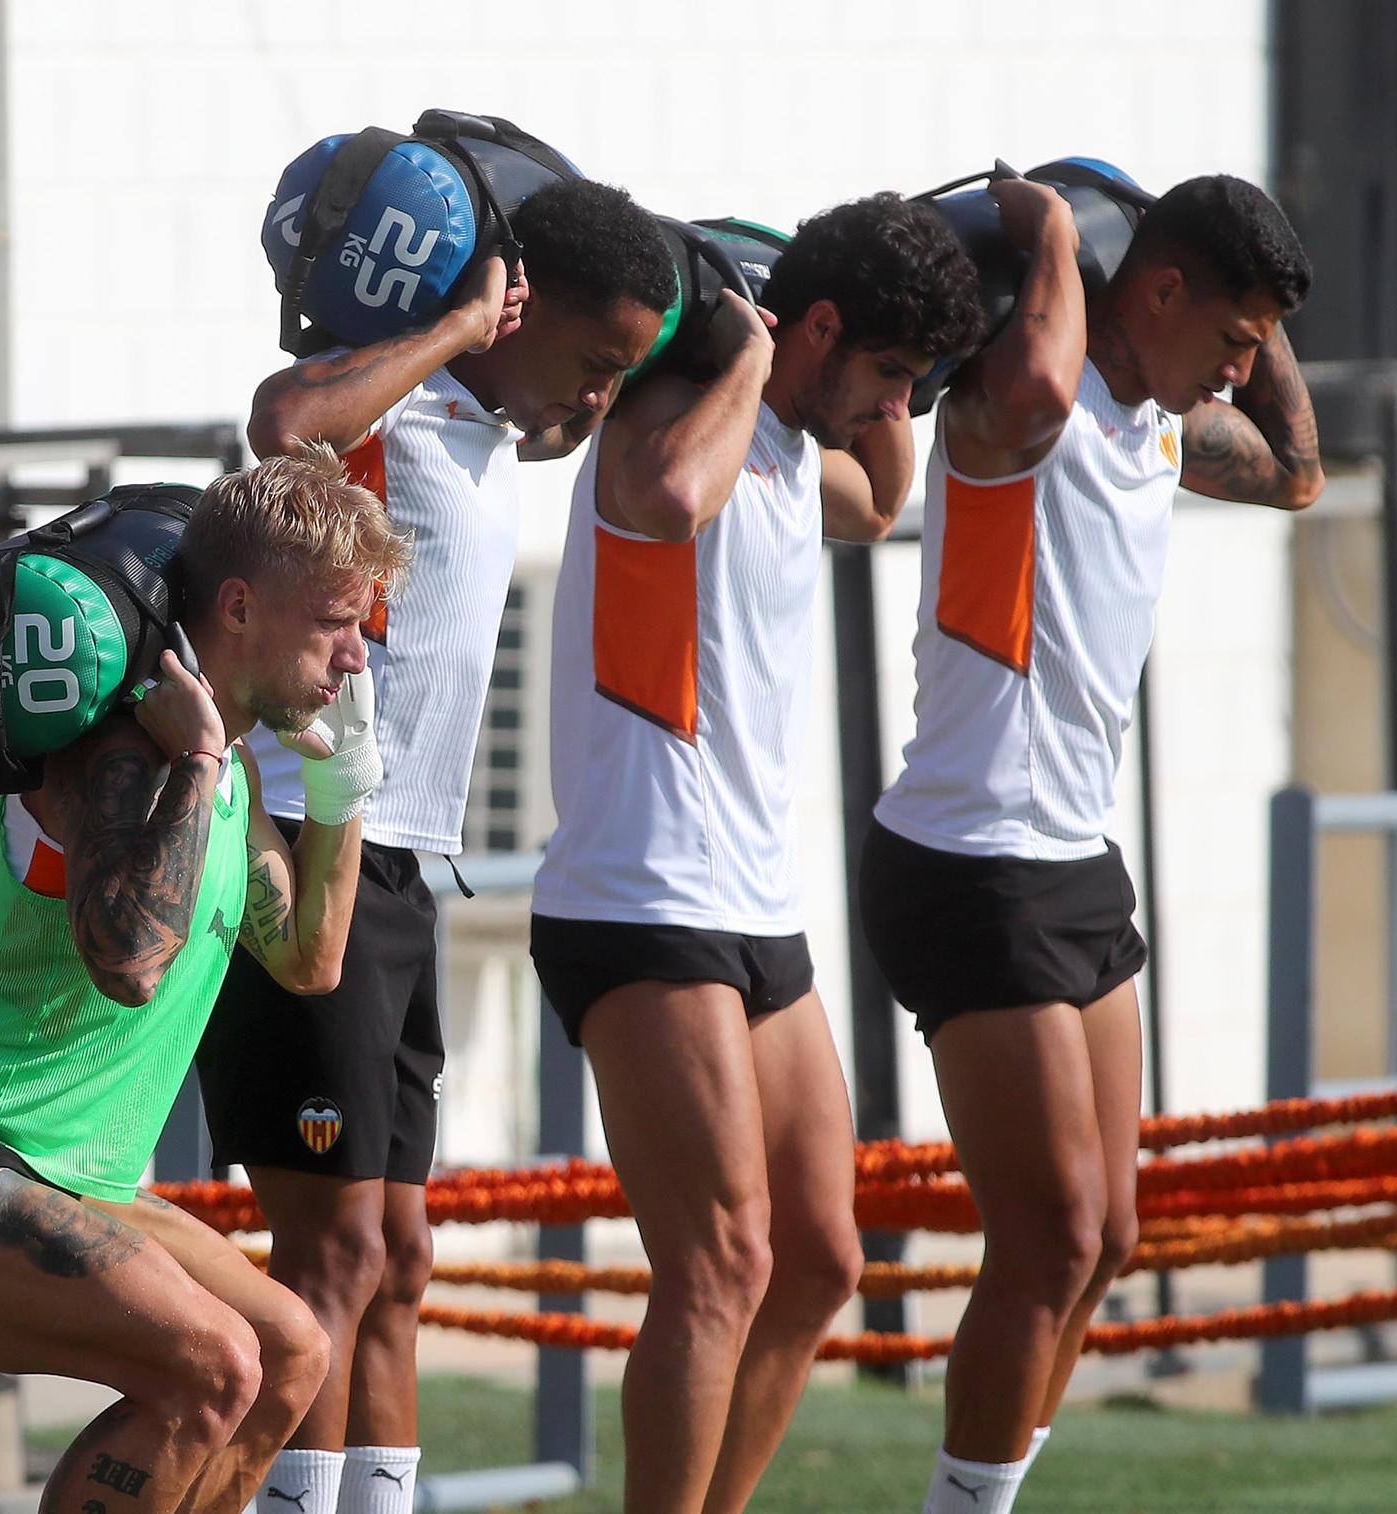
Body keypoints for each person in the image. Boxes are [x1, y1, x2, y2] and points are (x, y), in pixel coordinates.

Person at [0, 446, 412, 1514]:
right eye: (333, 622)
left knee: (288, 1350)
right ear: (237, 606)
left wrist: (339, 781)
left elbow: (309, 958)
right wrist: (207, 763)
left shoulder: (213, 765)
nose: (353, 657)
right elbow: (129, 962)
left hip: (70, 1176)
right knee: (211, 1363)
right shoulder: (118, 753)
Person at [197, 176, 674, 1514]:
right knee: (332, 1249)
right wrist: (460, 321)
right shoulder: (395, 397)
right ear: (507, 313)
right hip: (307, 841)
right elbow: (281, 419)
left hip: (401, 863)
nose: (595, 400)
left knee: (398, 1248)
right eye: (588, 362)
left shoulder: (487, 429)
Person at [859, 174, 1323, 1514]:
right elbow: (1048, 389)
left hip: (1069, 856)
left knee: (1110, 1236)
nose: (1242, 367)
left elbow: (1296, 471)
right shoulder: (1008, 410)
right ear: (1154, 292)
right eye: (1229, 335)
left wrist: (1255, 294)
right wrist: (1065, 229)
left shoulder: (1162, 430)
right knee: (1050, 1236)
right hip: (965, 855)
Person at [529, 193, 984, 1514]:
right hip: (639, 895)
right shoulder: (656, 429)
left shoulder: (790, 450)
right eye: (887, 372)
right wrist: (741, 344)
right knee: (720, 1263)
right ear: (814, 329)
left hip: (754, 909)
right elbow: (672, 496)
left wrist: (901, 379)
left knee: (823, 1259)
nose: (891, 404)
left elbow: (883, 497)